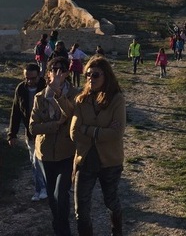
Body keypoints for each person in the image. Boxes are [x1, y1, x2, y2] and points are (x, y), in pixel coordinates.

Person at [70, 56, 126, 236]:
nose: (90, 79)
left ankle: (117, 232)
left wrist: (88, 130)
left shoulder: (117, 99)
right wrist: (102, 132)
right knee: (81, 210)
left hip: (109, 161)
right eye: (87, 75)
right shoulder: (81, 100)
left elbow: (117, 133)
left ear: (106, 76)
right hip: (84, 160)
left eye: (95, 75)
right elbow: (73, 132)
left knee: (111, 202)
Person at [29, 57, 78, 236]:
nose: (57, 73)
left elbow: (73, 114)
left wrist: (59, 95)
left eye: (61, 69)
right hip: (45, 154)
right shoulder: (39, 97)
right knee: (52, 197)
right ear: (47, 73)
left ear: (67, 73)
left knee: (61, 194)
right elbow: (33, 127)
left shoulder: (75, 94)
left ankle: (63, 230)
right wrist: (54, 125)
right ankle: (59, 227)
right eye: (54, 69)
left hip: (67, 153)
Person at [7, 63, 47, 202]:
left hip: (46, 133)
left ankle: (46, 188)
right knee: (35, 161)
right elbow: (16, 112)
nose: (30, 81)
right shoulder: (21, 89)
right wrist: (12, 134)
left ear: (39, 75)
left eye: (33, 78)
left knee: (43, 161)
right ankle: (40, 189)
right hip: (30, 133)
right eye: (27, 78)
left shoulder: (47, 87)